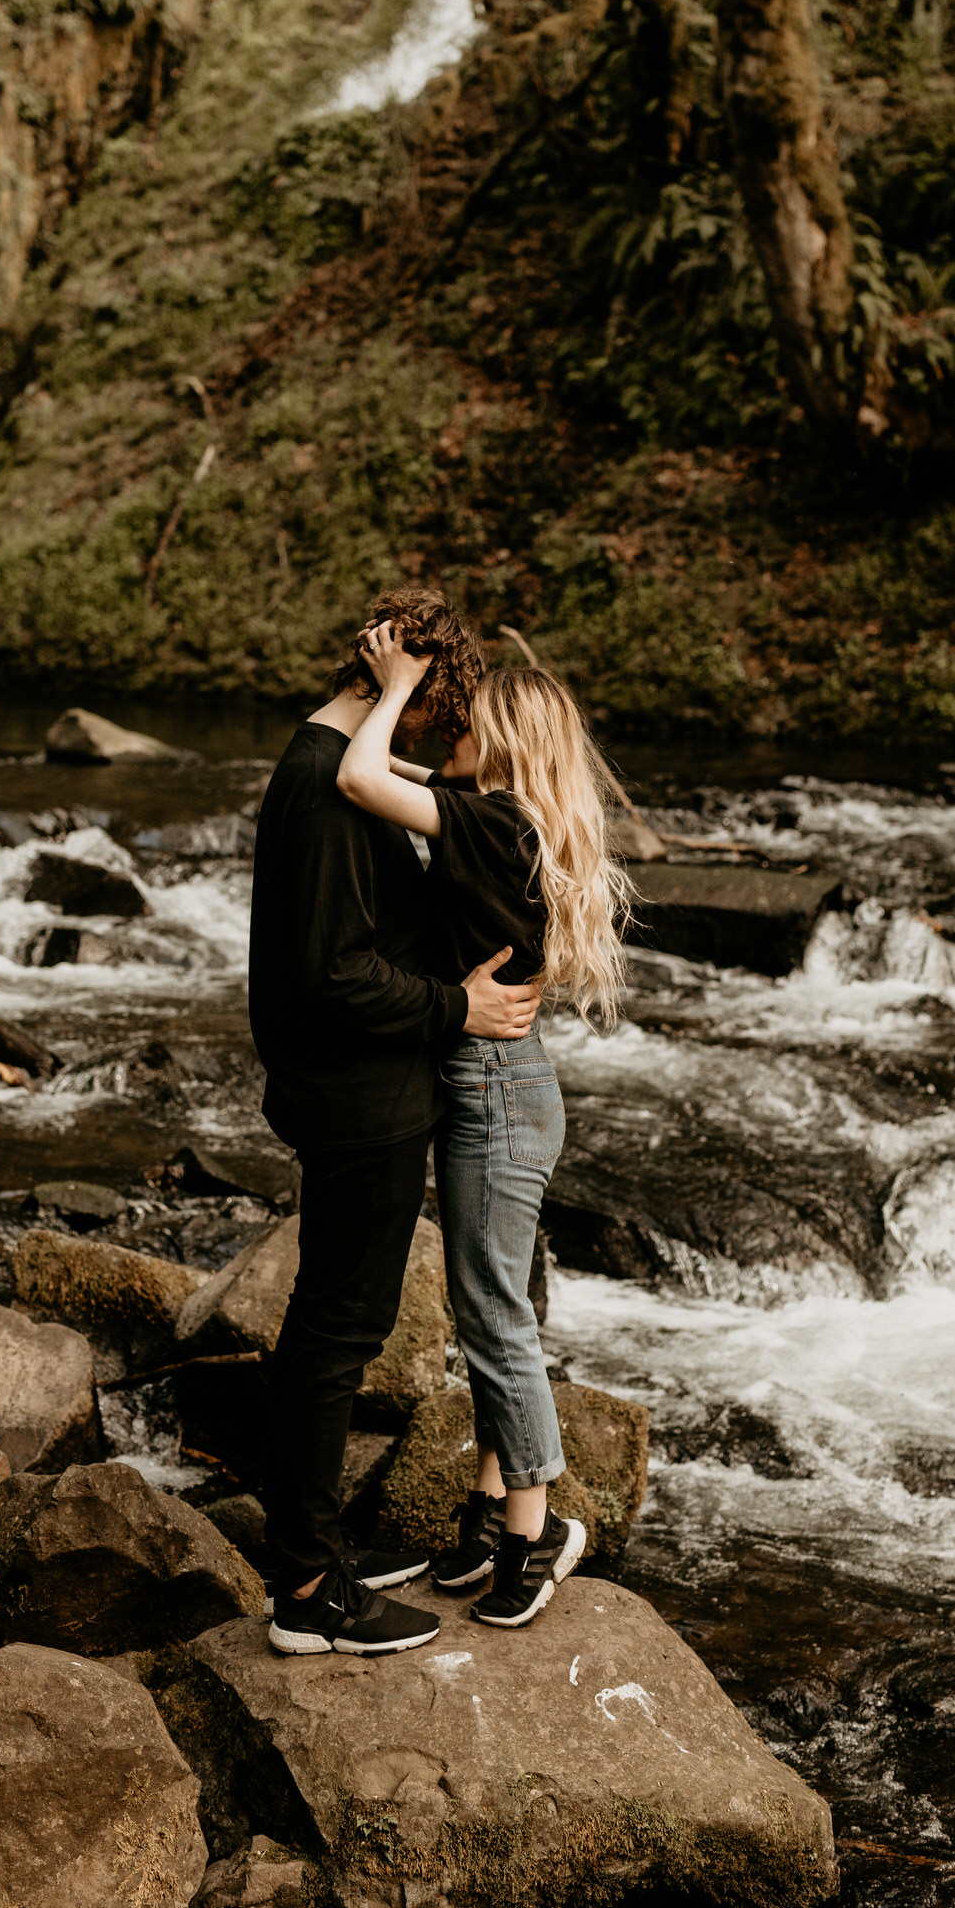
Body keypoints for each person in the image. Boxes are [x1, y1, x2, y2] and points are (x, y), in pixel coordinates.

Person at [251, 589, 542, 1658]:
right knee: (335, 1335)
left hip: (353, 1092)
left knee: (334, 1326)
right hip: (359, 1100)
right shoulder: (325, 795)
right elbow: (332, 976)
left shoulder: (324, 766)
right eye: (435, 707)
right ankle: (311, 1592)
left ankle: (313, 1544)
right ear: (405, 693)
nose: (435, 730)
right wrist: (459, 1007)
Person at [338, 623, 630, 1629]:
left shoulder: (492, 824)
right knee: (487, 1304)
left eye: (464, 721)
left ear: (502, 741)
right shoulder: (496, 817)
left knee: (494, 1314)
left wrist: (395, 683)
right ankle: (487, 1511)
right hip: (499, 1086)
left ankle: (538, 1529)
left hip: (498, 1094)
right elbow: (407, 776)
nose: (445, 727)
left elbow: (361, 778)